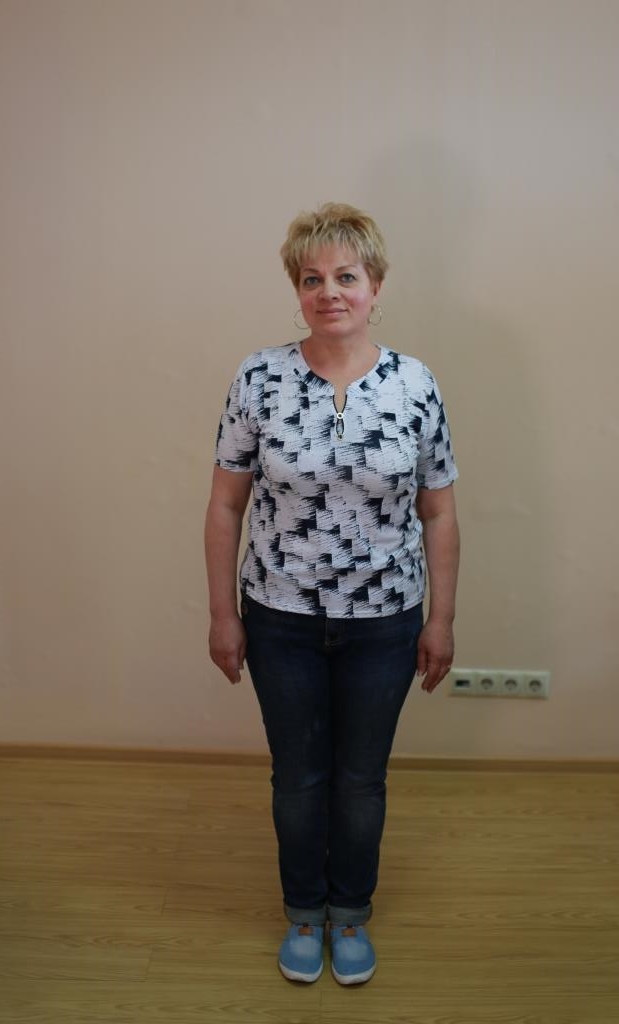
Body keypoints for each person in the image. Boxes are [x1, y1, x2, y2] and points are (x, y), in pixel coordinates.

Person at [204, 202, 460, 986]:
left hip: (385, 622)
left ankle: (348, 913)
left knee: (358, 780)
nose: (329, 293)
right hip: (279, 617)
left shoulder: (413, 384)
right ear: (298, 290)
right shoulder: (258, 377)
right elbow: (225, 505)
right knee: (298, 778)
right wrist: (222, 613)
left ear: (375, 285)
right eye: (311, 279)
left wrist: (441, 619)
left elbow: (439, 511)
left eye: (345, 276)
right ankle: (301, 911)